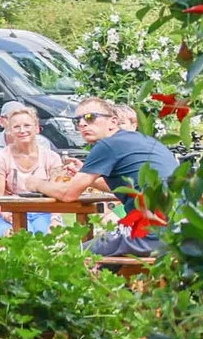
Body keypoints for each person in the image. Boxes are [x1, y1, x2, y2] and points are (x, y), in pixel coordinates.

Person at [41, 96, 180, 257]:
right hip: (179, 229)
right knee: (104, 256)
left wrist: (35, 183)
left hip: (149, 232)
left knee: (70, 258)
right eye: (77, 120)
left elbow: (68, 194)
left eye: (90, 117)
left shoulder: (107, 144)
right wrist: (86, 179)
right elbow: (128, 187)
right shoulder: (142, 140)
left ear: (113, 122)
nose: (82, 124)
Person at [0, 102, 61, 234]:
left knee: (47, 236)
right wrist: (5, 214)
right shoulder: (0, 157)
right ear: (10, 130)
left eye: (27, 125)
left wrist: (55, 219)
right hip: (10, 210)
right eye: (17, 127)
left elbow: (58, 192)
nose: (22, 130)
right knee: (12, 236)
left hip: (43, 211)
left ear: (37, 128)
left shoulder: (52, 158)